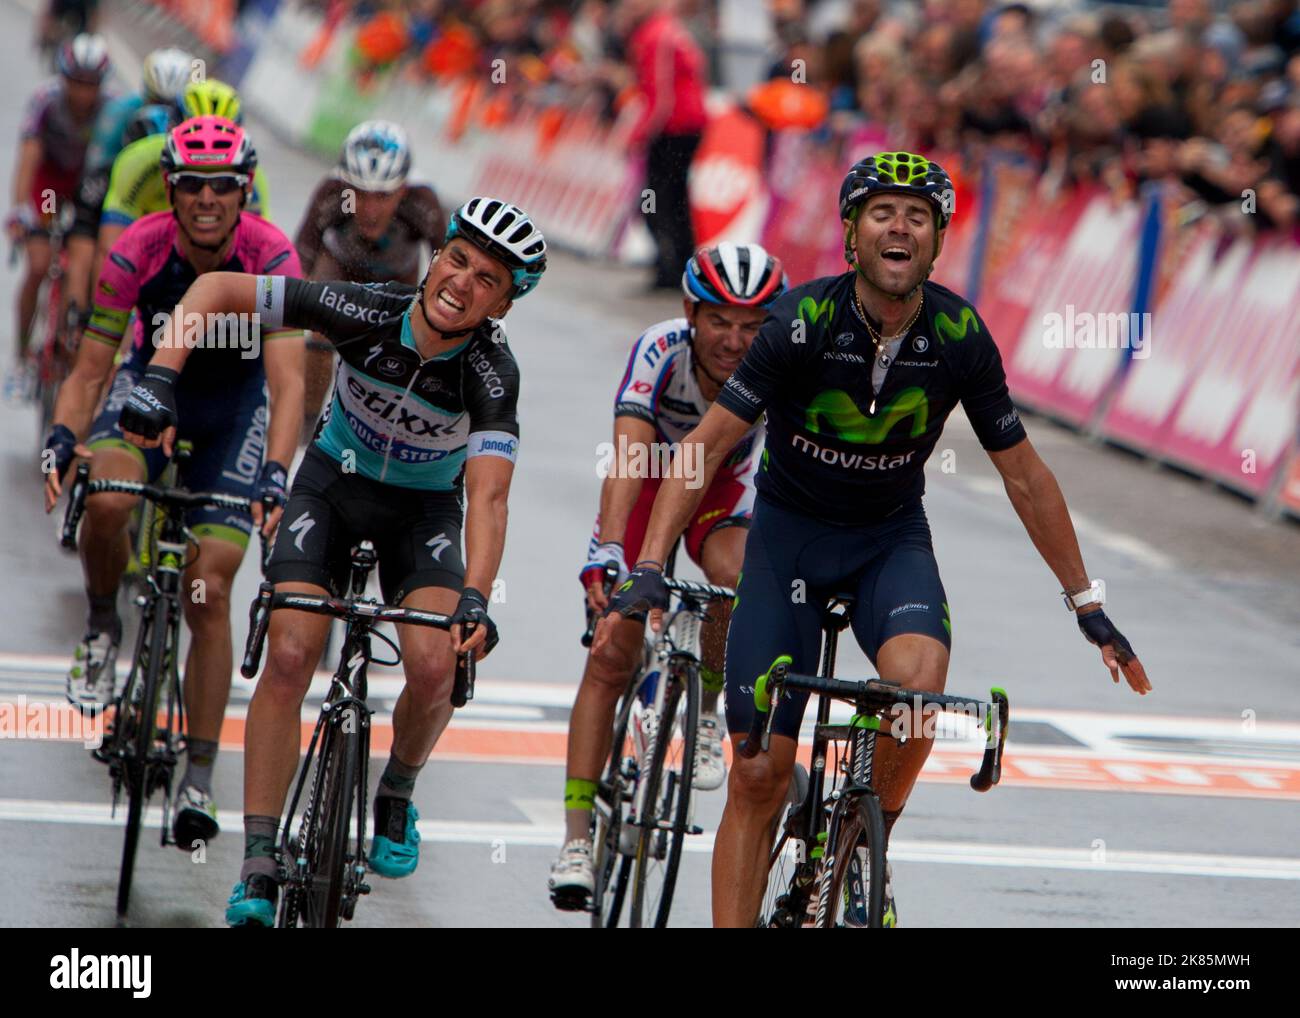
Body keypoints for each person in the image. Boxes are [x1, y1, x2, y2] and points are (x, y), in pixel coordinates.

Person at [609, 151, 1152, 927]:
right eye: (882, 213)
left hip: (887, 540)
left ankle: (862, 846)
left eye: (919, 216)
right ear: (851, 238)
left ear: (936, 242)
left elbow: (1025, 476)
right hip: (788, 540)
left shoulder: (960, 333)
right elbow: (704, 445)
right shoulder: (801, 320)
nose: (901, 226)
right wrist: (654, 562)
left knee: (917, 688)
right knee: (759, 774)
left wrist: (1087, 606)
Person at [114, 196, 546, 927]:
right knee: (289, 654)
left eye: (488, 279)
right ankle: (256, 858)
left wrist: (476, 596)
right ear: (436, 256)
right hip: (331, 490)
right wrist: (159, 377)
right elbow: (218, 290)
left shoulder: (492, 374)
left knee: (439, 664)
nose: (463, 282)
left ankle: (397, 791)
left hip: (423, 515)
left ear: (504, 302)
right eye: (459, 260)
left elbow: (491, 498)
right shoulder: (364, 308)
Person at [42, 116, 305, 850]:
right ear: (171, 189)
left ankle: (199, 771)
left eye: (225, 185)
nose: (209, 199)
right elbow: (92, 368)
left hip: (234, 414)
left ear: (246, 190)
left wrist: (278, 472)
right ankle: (101, 626)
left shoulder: (272, 256)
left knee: (210, 589)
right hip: (149, 397)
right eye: (193, 185)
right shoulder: (137, 249)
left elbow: (288, 387)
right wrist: (64, 435)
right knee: (109, 500)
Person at [548, 242, 787, 911]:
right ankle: (574, 836)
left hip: (721, 492)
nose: (735, 340)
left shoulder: (778, 365)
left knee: (733, 581)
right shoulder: (659, 350)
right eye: (720, 321)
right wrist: (610, 554)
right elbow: (627, 456)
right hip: (650, 483)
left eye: (752, 325)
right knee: (613, 650)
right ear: (690, 313)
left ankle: (707, 708)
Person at [294, 119, 446, 442]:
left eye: (382, 196)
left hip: (398, 277)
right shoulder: (331, 192)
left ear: (402, 190)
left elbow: (445, 272)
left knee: (405, 344)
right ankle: (305, 427)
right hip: (340, 267)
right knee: (319, 325)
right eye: (359, 195)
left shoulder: (423, 202)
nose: (370, 209)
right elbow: (299, 265)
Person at [6, 34, 110, 397]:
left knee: (86, 265)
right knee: (39, 263)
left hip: (87, 186)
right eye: (76, 82)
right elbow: (29, 155)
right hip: (50, 186)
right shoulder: (46, 101)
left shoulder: (111, 108)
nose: (82, 93)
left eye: (90, 84)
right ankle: (20, 356)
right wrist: (21, 209)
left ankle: (69, 339)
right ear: (63, 78)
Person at [61, 48, 193, 322]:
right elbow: (104, 250)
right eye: (157, 99)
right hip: (79, 186)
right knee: (63, 257)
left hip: (141, 209)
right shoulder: (119, 114)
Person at [620, 0, 708, 290]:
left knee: (657, 198)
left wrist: (638, 135)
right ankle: (680, 265)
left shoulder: (655, 35)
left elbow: (660, 95)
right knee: (675, 198)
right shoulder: (672, 30)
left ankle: (669, 266)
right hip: (687, 126)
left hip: (674, 129)